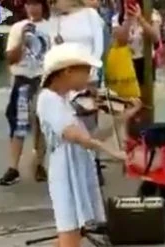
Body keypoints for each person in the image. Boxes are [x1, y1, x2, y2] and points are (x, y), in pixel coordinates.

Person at [36, 42, 142, 247]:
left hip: (75, 174)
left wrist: (124, 117)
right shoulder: (49, 100)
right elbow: (77, 136)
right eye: (86, 71)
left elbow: (92, 136)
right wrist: (115, 154)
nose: (90, 78)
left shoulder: (64, 99)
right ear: (67, 71)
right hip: (64, 177)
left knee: (65, 241)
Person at [49, 0, 107, 183]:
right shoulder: (56, 20)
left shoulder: (90, 15)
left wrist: (90, 72)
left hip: (88, 75)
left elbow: (98, 45)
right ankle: (72, 166)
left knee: (89, 120)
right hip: (66, 76)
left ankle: (93, 162)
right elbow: (54, 47)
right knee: (69, 121)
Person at [0, 0, 52, 185]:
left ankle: (39, 164)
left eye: (37, 4)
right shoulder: (17, 28)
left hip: (44, 79)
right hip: (22, 80)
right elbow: (11, 59)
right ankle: (13, 168)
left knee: (42, 123)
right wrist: (22, 37)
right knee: (18, 124)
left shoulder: (51, 27)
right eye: (30, 4)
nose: (33, 8)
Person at [112, 0, 161, 90]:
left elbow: (156, 37)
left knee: (146, 96)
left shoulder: (151, 14)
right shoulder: (117, 18)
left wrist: (140, 18)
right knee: (128, 97)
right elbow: (121, 41)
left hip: (146, 62)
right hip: (126, 62)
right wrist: (128, 20)